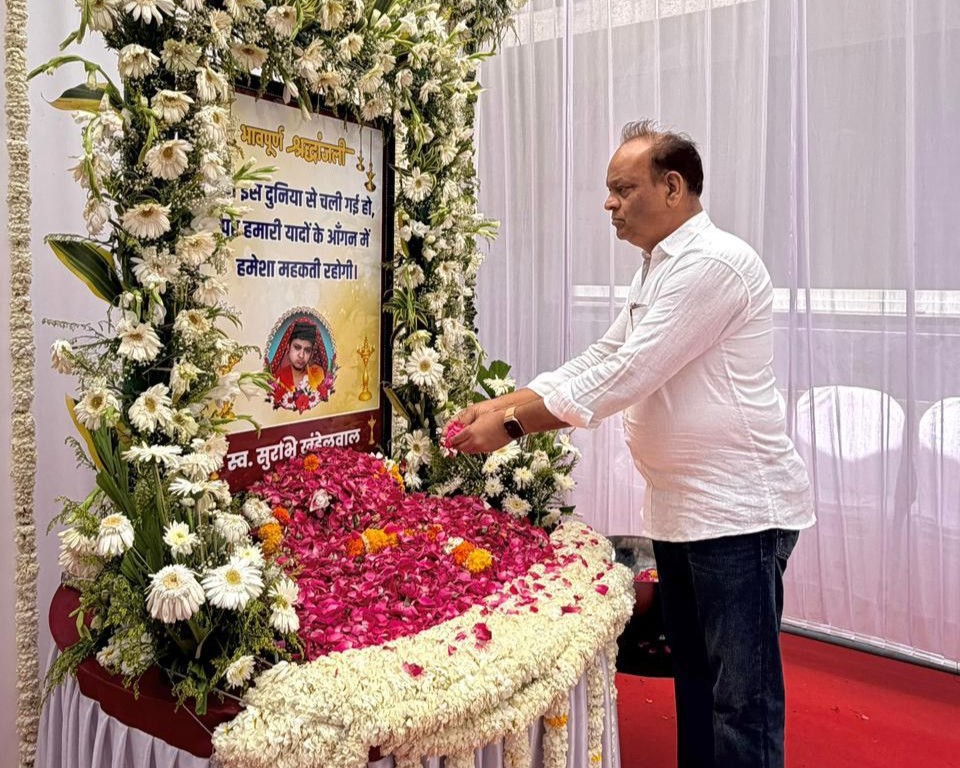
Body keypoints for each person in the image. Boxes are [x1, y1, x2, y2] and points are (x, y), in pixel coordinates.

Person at [450, 119, 814, 768]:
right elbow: (603, 355)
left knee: (741, 702)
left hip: (738, 516)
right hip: (682, 511)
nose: (608, 205)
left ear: (672, 187)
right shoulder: (658, 268)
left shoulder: (714, 264)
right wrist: (506, 402)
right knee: (698, 686)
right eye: (608, 191)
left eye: (623, 188)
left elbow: (628, 374)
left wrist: (512, 426)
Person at [269, 319, 330, 408]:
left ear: (312, 353)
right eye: (297, 347)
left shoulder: (318, 374)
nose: (301, 355)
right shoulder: (277, 378)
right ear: (288, 348)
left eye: (307, 350)